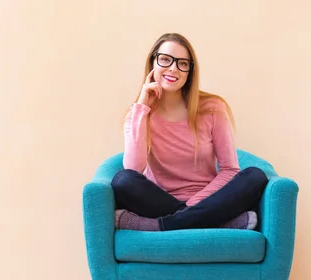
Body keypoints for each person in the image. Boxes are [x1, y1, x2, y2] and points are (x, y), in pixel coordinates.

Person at [111, 32, 269, 232]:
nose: (173, 68)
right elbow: (133, 169)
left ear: (189, 72)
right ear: (153, 63)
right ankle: (219, 223)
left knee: (255, 176)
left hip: (210, 199)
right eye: (165, 60)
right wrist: (142, 107)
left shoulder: (212, 108)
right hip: (159, 202)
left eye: (182, 63)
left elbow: (230, 169)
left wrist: (195, 204)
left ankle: (160, 225)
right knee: (123, 181)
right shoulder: (138, 115)